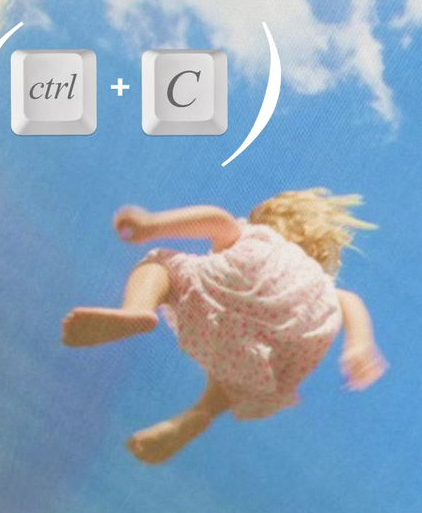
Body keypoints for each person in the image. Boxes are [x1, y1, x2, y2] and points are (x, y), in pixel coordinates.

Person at [61, 188, 387, 464]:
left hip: (214, 314)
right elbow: (350, 302)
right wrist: (359, 346)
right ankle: (199, 414)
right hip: (256, 358)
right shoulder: (321, 288)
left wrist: (151, 224)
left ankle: (137, 309)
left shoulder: (258, 236)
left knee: (161, 263)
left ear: (269, 220)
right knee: (232, 386)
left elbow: (217, 220)